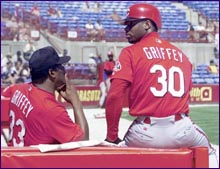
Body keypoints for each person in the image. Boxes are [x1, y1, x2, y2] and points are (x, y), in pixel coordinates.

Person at [104, 3, 218, 168]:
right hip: (181, 129)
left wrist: (112, 136)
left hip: (144, 132)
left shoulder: (130, 52)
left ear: (147, 24)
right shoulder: (181, 55)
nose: (126, 28)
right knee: (209, 153)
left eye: (131, 23)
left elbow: (115, 95)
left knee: (114, 158)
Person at [2, 46, 89, 147]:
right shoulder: (51, 110)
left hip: (15, 157)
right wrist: (76, 102)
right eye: (61, 67)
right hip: (33, 162)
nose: (65, 70)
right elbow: (83, 142)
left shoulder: (17, 89)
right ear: (52, 73)